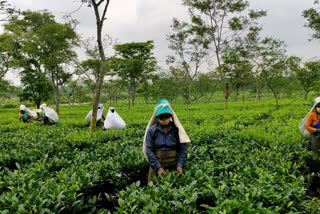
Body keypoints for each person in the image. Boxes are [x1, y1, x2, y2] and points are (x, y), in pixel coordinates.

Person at [143, 99, 191, 183]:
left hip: (174, 164)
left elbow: (183, 149)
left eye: (167, 116)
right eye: (162, 116)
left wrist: (180, 165)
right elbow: (149, 150)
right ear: (157, 117)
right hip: (157, 163)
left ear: (171, 116)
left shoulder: (176, 130)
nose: (164, 118)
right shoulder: (152, 130)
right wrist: (158, 167)